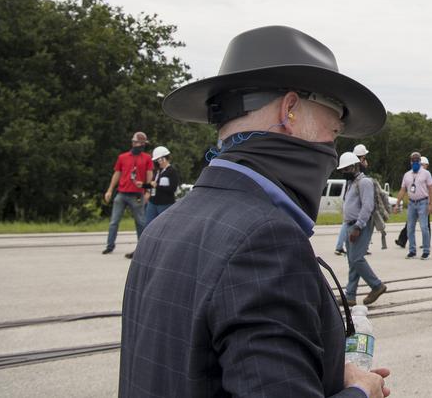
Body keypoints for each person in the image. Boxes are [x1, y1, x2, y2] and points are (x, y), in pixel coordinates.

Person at [118, 25, 391, 398]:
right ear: (290, 109)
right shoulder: (267, 241)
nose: (333, 143)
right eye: (335, 125)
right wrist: (361, 392)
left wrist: (316, 368)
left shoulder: (165, 225)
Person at [339, 151, 387, 307]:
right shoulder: (351, 183)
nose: (344, 173)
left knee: (357, 259)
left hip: (360, 225)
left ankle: (376, 285)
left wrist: (358, 227)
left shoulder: (364, 182)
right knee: (352, 262)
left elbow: (368, 206)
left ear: (354, 167)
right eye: (342, 170)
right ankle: (350, 296)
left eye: (346, 169)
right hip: (350, 224)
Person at [103, 131, 153, 256]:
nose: (141, 146)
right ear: (133, 143)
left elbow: (149, 174)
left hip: (137, 195)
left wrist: (147, 191)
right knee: (114, 221)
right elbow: (117, 173)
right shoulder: (123, 157)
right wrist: (110, 190)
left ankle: (142, 248)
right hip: (122, 193)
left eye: (143, 144)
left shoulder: (147, 158)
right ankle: (109, 246)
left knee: (140, 222)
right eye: (139, 143)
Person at [334, 143, 372, 256]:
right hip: (355, 199)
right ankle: (341, 246)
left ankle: (342, 246)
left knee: (346, 224)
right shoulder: (355, 166)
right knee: (346, 224)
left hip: (354, 198)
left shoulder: (353, 164)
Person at [398, 151, 432, 260]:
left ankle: (426, 251)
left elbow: (431, 189)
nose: (415, 162)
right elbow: (402, 190)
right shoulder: (407, 175)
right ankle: (412, 250)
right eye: (413, 160)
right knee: (410, 228)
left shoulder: (426, 174)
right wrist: (397, 203)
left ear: (420, 162)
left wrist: (431, 204)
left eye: (417, 160)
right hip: (411, 203)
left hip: (423, 202)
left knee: (424, 227)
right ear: (410, 162)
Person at [143, 146, 180, 228]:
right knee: (148, 225)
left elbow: (172, 188)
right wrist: (142, 185)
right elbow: (153, 185)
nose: (157, 162)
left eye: (158, 160)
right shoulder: (157, 171)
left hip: (165, 204)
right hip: (153, 203)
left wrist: (158, 186)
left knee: (163, 226)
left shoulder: (172, 172)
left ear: (163, 159)